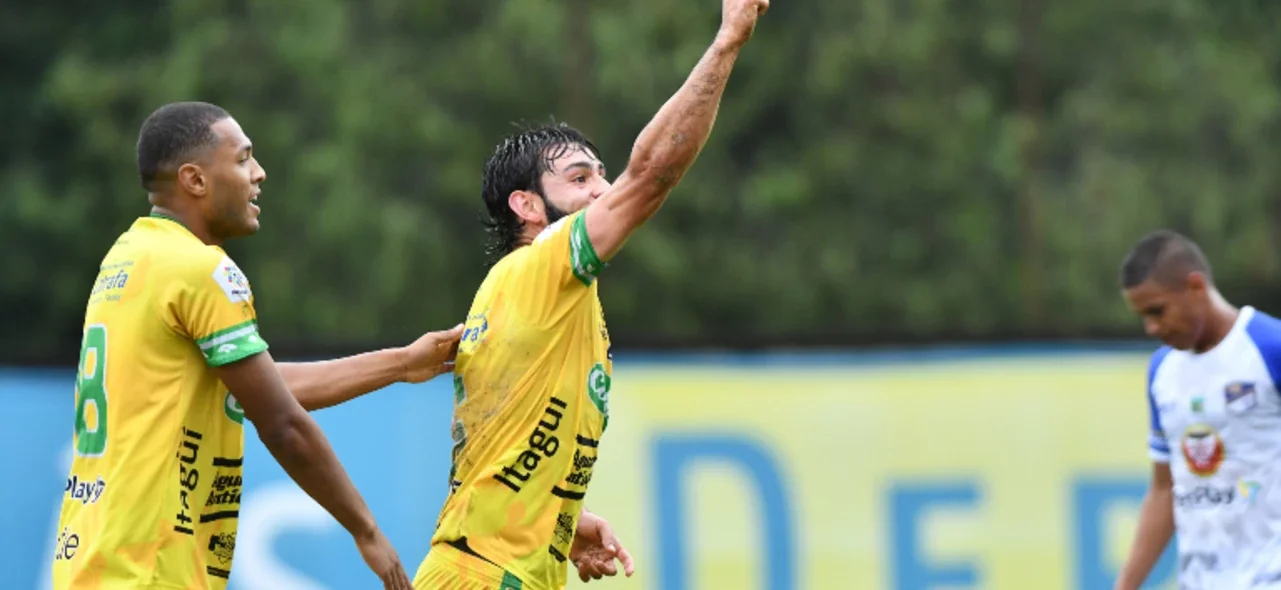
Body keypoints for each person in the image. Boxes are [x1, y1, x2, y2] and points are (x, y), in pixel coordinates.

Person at [409, 0, 770, 588]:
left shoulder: (546, 293)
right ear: (526, 206)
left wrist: (558, 520)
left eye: (601, 174)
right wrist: (727, 41)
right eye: (579, 179)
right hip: (481, 576)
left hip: (501, 569)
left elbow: (503, 450)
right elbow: (652, 173)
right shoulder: (541, 265)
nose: (602, 189)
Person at [51, 101, 462, 590]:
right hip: (151, 569)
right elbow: (282, 423)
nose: (259, 173)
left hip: (96, 563)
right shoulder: (202, 269)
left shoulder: (128, 258)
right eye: (244, 158)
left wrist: (401, 363)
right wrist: (366, 530)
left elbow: (256, 386)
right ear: (195, 180)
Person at [1114, 229, 1281, 589]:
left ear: (1195, 286)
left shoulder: (1270, 348)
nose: (1151, 327)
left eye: (1157, 311)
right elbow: (1164, 489)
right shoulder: (1162, 372)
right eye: (1143, 316)